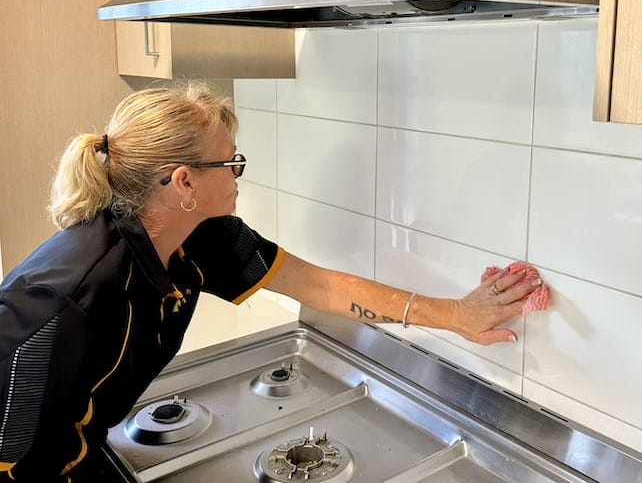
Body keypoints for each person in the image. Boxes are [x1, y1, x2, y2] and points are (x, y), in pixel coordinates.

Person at [0, 83, 541, 482]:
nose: (238, 174)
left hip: (81, 450)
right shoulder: (68, 300)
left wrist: (459, 315)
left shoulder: (203, 237)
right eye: (230, 162)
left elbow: (321, 286)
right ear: (184, 182)